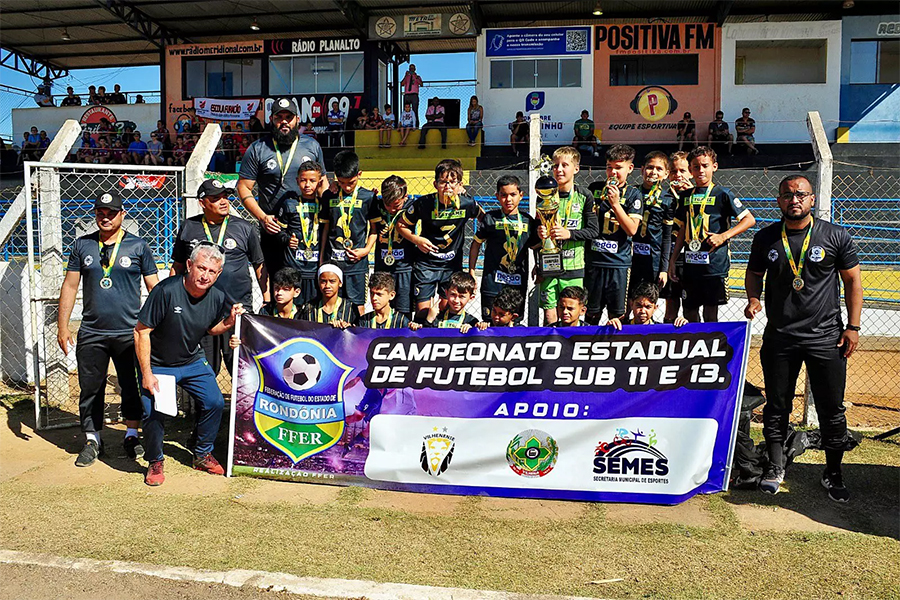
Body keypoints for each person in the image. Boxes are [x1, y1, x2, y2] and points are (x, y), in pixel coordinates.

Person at [745, 174, 862, 501]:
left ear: (812, 199)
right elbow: (753, 274)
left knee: (832, 409)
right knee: (777, 406)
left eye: (801, 194)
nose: (794, 199)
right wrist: (753, 298)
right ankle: (775, 467)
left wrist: (853, 327)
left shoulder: (835, 235)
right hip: (780, 338)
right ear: (778, 200)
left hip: (826, 338)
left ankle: (833, 472)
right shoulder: (766, 238)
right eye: (787, 194)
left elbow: (853, 281)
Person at [58, 190, 160, 467]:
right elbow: (69, 286)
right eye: (101, 213)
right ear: (95, 215)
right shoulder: (82, 245)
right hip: (92, 331)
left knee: (130, 385)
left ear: (121, 215)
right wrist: (62, 326)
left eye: (111, 213)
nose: (105, 217)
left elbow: (155, 289)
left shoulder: (138, 246)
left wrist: (157, 325)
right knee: (90, 386)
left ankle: (130, 435)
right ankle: (93, 439)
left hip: (129, 332)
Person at [135, 243, 244, 486]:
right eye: (201, 268)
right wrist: (147, 373)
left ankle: (202, 453)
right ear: (188, 266)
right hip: (159, 364)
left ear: (218, 274)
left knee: (214, 402)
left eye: (212, 272)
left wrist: (229, 321)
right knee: (153, 410)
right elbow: (141, 332)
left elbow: (211, 329)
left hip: (192, 360)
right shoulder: (165, 291)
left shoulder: (217, 296)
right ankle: (155, 460)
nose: (205, 276)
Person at [171, 179, 267, 378]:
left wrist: (266, 300)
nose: (224, 202)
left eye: (226, 197)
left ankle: (242, 409)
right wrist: (171, 300)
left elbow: (259, 264)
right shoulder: (189, 227)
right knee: (204, 369)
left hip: (237, 310)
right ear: (202, 202)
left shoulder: (244, 227)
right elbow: (178, 266)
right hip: (200, 311)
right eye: (216, 199)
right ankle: (202, 409)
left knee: (242, 368)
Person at [237, 97, 326, 284]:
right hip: (274, 228)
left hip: (309, 228)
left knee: (309, 283)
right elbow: (244, 187)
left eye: (289, 117)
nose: (284, 121)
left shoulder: (312, 146)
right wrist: (262, 217)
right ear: (271, 119)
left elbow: (323, 185)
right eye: (279, 117)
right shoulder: (258, 148)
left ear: (297, 119)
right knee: (275, 281)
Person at [668, 146, 756, 323]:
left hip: (714, 265)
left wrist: (723, 236)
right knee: (689, 311)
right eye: (695, 167)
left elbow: (749, 220)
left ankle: (710, 347)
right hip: (690, 264)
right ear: (690, 170)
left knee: (710, 313)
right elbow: (682, 229)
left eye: (705, 166)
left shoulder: (723, 194)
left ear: (714, 166)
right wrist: (672, 260)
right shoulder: (685, 196)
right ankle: (695, 346)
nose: (700, 170)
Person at [397, 159, 481, 312]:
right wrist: (417, 239)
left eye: (452, 182)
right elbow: (401, 225)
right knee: (422, 312)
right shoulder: (423, 203)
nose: (447, 186)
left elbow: (485, 220)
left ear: (460, 184)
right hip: (426, 264)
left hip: (451, 265)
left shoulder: (467, 203)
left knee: (445, 309)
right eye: (443, 182)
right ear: (435, 184)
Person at [538, 147, 598, 325]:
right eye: (556, 166)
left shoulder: (584, 196)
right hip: (549, 266)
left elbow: (593, 231)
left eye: (565, 165)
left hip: (574, 267)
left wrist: (568, 234)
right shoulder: (543, 194)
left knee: (571, 316)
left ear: (576, 168)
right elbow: (537, 236)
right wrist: (539, 234)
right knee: (550, 317)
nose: (559, 170)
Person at [585, 144, 643, 325]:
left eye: (618, 168)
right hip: (594, 261)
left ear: (630, 168)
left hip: (618, 264)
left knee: (618, 316)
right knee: (591, 314)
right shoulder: (594, 188)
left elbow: (632, 230)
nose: (613, 172)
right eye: (609, 167)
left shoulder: (634, 194)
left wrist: (616, 205)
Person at [469, 174, 535, 321]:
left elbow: (536, 246)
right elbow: (475, 245)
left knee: (513, 324)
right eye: (504, 195)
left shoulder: (528, 221)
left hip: (517, 283)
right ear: (497, 196)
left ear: (521, 195)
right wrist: (471, 272)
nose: (508, 199)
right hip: (492, 283)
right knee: (489, 323)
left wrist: (538, 266)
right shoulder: (490, 218)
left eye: (513, 194)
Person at [320, 151, 378, 315]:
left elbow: (374, 230)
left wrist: (366, 250)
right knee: (330, 304)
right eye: (342, 182)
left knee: (357, 307)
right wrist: (322, 259)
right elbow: (325, 229)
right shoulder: (328, 195)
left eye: (351, 183)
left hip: (356, 265)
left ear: (359, 174)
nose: (346, 187)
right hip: (333, 262)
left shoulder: (369, 197)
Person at [273, 160, 324, 307]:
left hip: (315, 269)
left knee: (312, 310)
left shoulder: (324, 204)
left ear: (319, 182)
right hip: (293, 267)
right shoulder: (289, 203)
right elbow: (279, 232)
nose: (307, 185)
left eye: (312, 181)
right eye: (303, 180)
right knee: (293, 309)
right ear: (297, 181)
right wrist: (287, 239)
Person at [629, 151, 674, 304]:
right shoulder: (631, 193)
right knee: (629, 300)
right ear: (642, 170)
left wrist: (664, 268)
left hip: (653, 259)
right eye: (649, 167)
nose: (653, 172)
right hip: (630, 258)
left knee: (648, 301)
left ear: (666, 173)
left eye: (659, 169)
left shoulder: (668, 199)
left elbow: (667, 237)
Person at [374, 175, 415, 316]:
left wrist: (462, 192)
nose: (391, 209)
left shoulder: (413, 206)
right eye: (388, 205)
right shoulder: (376, 204)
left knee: (403, 310)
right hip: (382, 267)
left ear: (406, 197)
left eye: (396, 205)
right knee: (381, 308)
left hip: (404, 268)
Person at [662, 151, 692, 324]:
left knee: (691, 307)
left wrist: (689, 194)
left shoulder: (697, 196)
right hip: (672, 255)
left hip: (691, 256)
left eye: (682, 171)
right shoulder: (664, 197)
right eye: (674, 171)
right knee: (671, 303)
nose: (678, 175)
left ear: (691, 173)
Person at [416, 271, 481, 332]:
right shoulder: (437, 318)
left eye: (462, 296)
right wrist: (429, 320)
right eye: (453, 294)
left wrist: (472, 330)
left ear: (471, 298)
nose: (456, 300)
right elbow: (424, 338)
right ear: (446, 293)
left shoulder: (472, 322)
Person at [609, 282, 688, 329]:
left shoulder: (662, 330)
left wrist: (684, 326)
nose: (642, 311)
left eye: (648, 307)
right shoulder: (621, 327)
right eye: (639, 306)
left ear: (655, 308)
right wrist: (609, 327)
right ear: (631, 304)